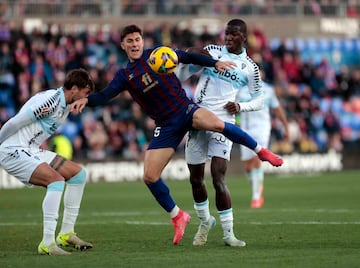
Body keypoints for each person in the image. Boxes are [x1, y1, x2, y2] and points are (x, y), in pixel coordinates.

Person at [70, 24, 283, 246]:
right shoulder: (125, 75)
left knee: (218, 125)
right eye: (130, 41)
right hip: (166, 125)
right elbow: (105, 95)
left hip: (186, 110)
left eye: (137, 40)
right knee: (150, 176)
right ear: (123, 45)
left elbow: (188, 56)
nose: (134, 44)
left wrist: (215, 63)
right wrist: (87, 100)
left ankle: (261, 151)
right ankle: (178, 216)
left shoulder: (160, 53)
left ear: (142, 41)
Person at [175, 19, 266, 247]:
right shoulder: (214, 51)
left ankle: (229, 234)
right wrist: (204, 58)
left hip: (223, 122)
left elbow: (260, 100)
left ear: (244, 37)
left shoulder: (250, 68)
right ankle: (205, 222)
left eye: (234, 34)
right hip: (197, 118)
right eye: (227, 33)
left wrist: (241, 107)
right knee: (196, 179)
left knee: (218, 177)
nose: (228, 37)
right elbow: (191, 55)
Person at [0, 69, 95, 255]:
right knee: (56, 181)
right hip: (12, 150)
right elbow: (14, 122)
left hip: (31, 149)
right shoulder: (51, 102)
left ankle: (66, 234)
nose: (85, 98)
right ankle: (47, 243)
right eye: (85, 93)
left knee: (78, 175)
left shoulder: (66, 104)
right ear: (74, 89)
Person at [236, 66, 289, 208]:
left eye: (258, 71)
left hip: (262, 128)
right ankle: (257, 184)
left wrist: (286, 126)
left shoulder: (268, 90)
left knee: (256, 159)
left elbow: (277, 109)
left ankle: (256, 197)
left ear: (262, 73)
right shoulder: (240, 90)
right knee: (247, 166)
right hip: (245, 130)